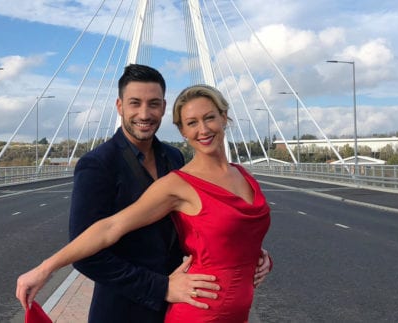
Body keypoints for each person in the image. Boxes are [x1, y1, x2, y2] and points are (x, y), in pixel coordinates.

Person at [17, 84, 271, 323]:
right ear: (182, 131)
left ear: (224, 117)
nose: (203, 130)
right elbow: (110, 227)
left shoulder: (242, 175)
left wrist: (256, 256)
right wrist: (45, 267)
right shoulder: (178, 184)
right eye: (192, 123)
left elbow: (221, 232)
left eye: (210, 118)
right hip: (202, 310)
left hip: (237, 309)